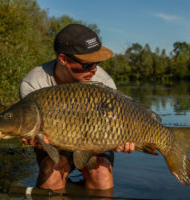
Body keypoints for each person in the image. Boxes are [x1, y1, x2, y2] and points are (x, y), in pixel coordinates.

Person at [20, 24, 135, 191]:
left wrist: (121, 140)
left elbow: (113, 127)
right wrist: (34, 138)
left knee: (101, 174)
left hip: (94, 140)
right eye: (87, 65)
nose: (94, 70)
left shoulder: (105, 83)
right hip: (55, 143)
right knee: (52, 175)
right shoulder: (34, 83)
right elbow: (30, 127)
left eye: (97, 62)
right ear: (63, 59)